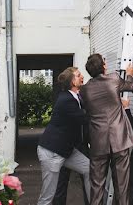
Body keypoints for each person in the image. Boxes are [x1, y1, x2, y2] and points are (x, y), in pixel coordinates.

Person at [80, 54, 133, 205]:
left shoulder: (84, 90)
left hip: (98, 142)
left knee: (97, 186)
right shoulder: (114, 78)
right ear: (103, 66)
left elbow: (87, 109)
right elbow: (130, 86)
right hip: (120, 139)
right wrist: (130, 74)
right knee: (122, 186)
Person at [37, 67, 91, 205]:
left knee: (89, 169)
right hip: (52, 152)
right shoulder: (66, 100)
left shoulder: (75, 96)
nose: (82, 77)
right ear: (72, 82)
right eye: (78, 75)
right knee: (48, 196)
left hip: (67, 150)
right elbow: (85, 118)